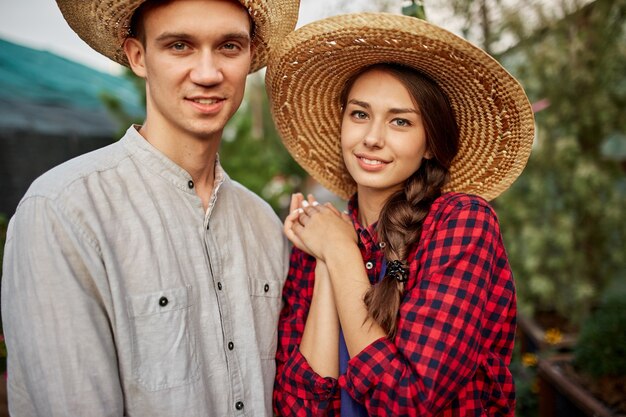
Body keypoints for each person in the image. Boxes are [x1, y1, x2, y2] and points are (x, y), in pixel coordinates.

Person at [1, 0, 299, 415]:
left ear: (249, 57)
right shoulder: (63, 211)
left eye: (229, 46)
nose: (209, 73)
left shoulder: (263, 223)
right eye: (180, 45)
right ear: (138, 57)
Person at [266, 12, 535, 416]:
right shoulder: (323, 235)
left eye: (400, 121)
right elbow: (297, 408)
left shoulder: (461, 224)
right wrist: (326, 259)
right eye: (359, 114)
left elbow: (407, 402)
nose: (372, 138)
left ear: (430, 144)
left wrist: (341, 256)